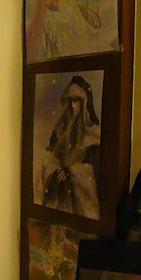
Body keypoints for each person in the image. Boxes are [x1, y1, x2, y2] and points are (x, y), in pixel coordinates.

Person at [39, 76, 100, 219]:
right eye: (70, 101)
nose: (72, 106)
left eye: (76, 101)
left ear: (84, 102)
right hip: (60, 192)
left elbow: (94, 170)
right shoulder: (60, 130)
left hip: (79, 199)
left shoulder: (93, 134)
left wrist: (71, 172)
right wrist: (55, 170)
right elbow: (52, 155)